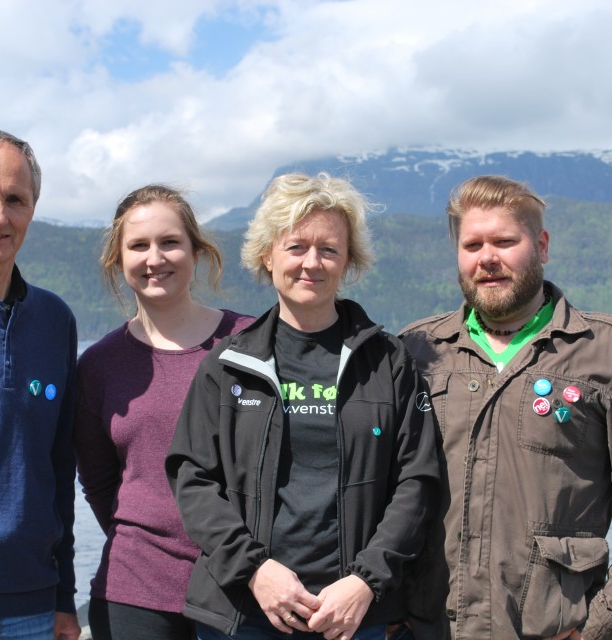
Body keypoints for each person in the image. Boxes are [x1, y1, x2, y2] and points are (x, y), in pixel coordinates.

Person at [166, 172, 440, 640]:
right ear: (268, 255)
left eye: (328, 249)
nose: (311, 263)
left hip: (353, 616)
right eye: (296, 247)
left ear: (348, 260)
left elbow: (418, 480)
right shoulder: (228, 364)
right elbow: (193, 478)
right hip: (246, 612)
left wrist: (366, 581)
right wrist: (255, 571)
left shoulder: (389, 363)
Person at [400, 175, 612, 640]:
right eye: (472, 244)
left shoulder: (602, 352)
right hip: (428, 627)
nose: (487, 258)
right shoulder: (415, 351)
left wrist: (598, 627)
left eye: (504, 241)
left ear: (541, 245)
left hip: (552, 629)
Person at [74, 184, 253, 640]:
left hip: (244, 585)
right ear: (118, 260)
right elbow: (97, 481)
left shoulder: (250, 344)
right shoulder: (97, 365)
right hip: (135, 594)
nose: (155, 258)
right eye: (138, 245)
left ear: (197, 251)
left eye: (170, 242)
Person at [0, 128, 80, 640]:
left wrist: (64, 597)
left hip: (32, 608)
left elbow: (60, 469)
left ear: (33, 210)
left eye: (15, 199)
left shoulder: (55, 321)